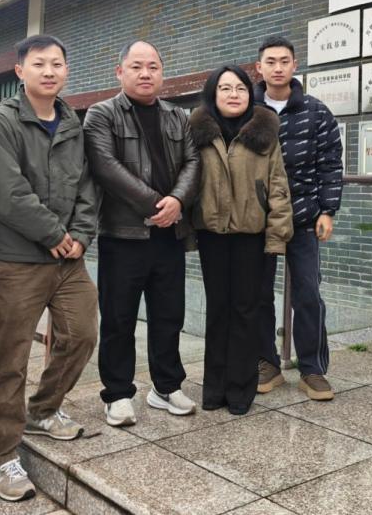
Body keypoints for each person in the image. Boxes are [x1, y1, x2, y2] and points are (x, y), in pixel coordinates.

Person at [0, 35, 98, 502]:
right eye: (39, 64)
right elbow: (7, 193)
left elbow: (87, 187)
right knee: (8, 359)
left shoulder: (72, 122)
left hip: (68, 257)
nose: (49, 71)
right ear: (20, 71)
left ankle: (44, 410)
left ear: (67, 70)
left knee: (82, 334)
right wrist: (53, 234)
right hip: (17, 258)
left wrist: (80, 235)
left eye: (57, 64)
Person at [83, 40, 200, 427]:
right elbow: (105, 166)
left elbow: (193, 161)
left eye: (153, 67)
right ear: (120, 72)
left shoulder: (178, 116)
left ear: (162, 73)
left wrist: (178, 201)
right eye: (136, 66)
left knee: (169, 314)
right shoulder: (101, 114)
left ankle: (166, 387)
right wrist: (156, 205)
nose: (145, 73)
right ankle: (117, 394)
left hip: (170, 235)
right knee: (119, 318)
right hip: (123, 235)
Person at [188, 66, 293, 415]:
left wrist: (276, 239)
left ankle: (240, 391)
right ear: (212, 94)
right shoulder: (199, 132)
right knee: (218, 310)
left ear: (250, 94)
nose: (234, 94)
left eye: (241, 88)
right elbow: (186, 179)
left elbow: (278, 188)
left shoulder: (265, 134)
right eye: (225, 88)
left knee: (246, 312)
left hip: (252, 236)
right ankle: (214, 389)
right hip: (212, 235)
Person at [254, 36, 344, 401]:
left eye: (284, 61)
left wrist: (328, 210)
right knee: (258, 293)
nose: (277, 68)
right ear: (259, 67)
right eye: (270, 61)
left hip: (304, 216)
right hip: (258, 219)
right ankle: (267, 363)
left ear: (294, 65)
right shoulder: (248, 110)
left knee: (308, 293)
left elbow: (330, 163)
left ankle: (312, 369)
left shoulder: (316, 111)